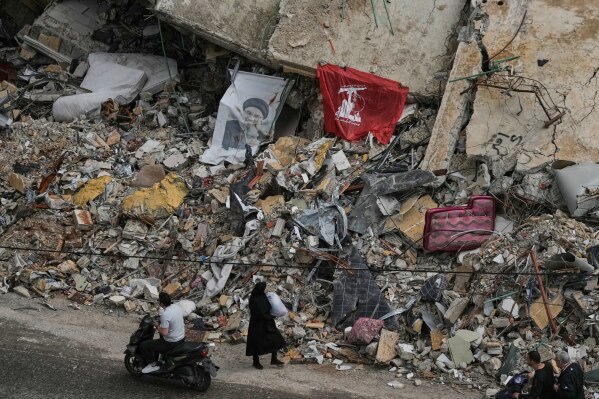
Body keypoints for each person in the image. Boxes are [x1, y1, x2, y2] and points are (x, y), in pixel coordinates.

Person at [139, 292, 185, 373]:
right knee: (157, 342)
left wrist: (157, 325)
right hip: (181, 337)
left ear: (161, 303)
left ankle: (152, 364)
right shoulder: (176, 307)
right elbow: (172, 320)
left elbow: (164, 333)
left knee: (144, 345)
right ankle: (161, 358)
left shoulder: (166, 314)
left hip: (171, 342)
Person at [245, 281, 286, 369]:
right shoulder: (254, 300)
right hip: (257, 324)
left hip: (268, 323)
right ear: (260, 289)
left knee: (276, 339)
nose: (266, 290)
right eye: (264, 288)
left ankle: (274, 359)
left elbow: (268, 307)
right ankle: (256, 362)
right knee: (257, 343)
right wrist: (270, 316)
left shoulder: (263, 296)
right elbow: (259, 313)